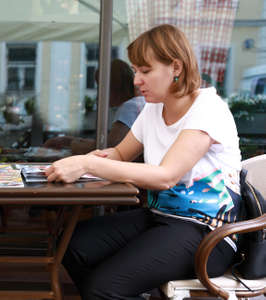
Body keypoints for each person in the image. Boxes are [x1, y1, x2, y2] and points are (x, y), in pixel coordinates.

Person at [45, 24, 242, 299]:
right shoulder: (153, 109)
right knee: (71, 245)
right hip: (161, 217)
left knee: (103, 287)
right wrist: (85, 159)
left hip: (207, 234)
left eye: (145, 71)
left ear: (176, 67)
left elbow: (166, 176)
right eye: (136, 70)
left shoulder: (208, 109)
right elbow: (120, 154)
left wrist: (89, 165)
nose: (136, 80)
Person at [43, 58, 145, 154]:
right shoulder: (135, 103)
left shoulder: (129, 107)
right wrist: (68, 141)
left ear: (113, 87)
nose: (99, 93)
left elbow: (108, 148)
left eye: (101, 86)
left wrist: (69, 143)